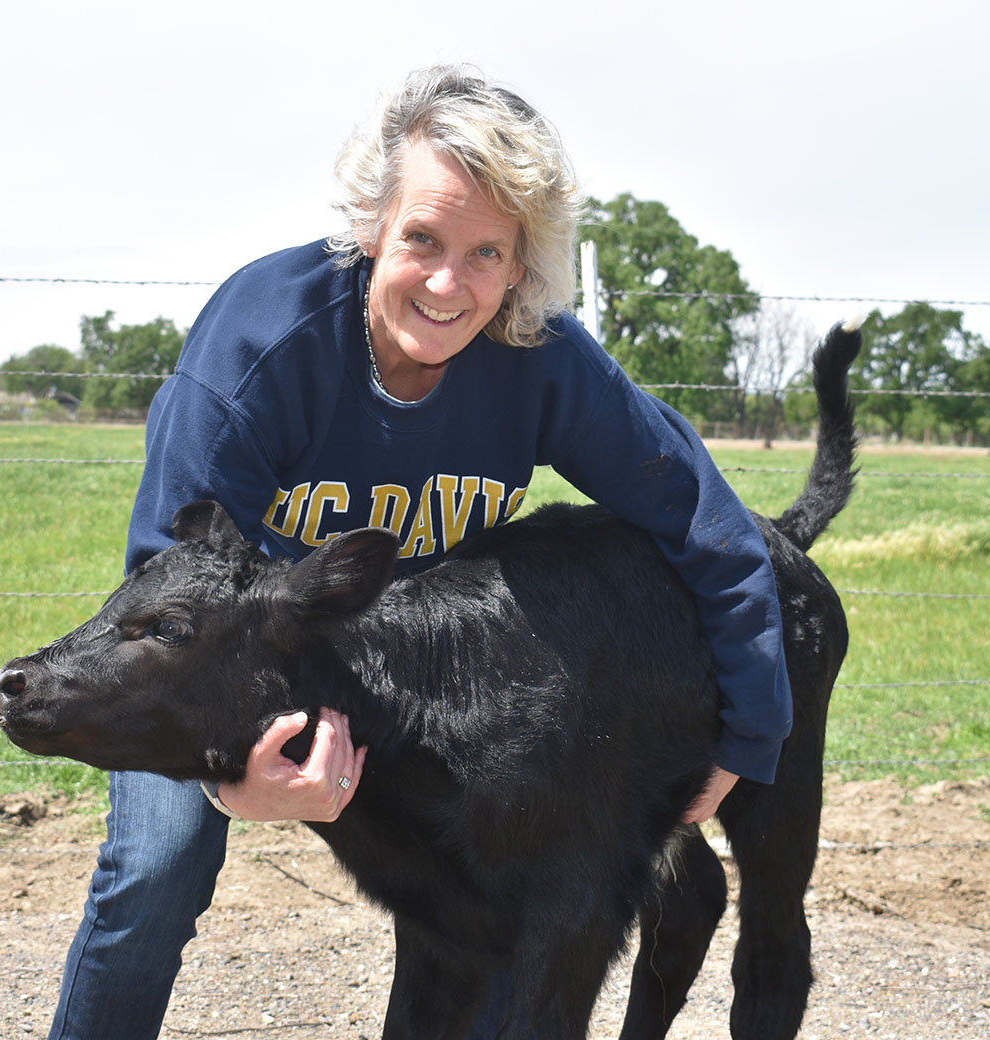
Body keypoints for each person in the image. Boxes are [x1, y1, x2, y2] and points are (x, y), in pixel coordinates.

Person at [48, 64, 790, 1039]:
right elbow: (168, 586)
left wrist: (751, 732)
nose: (450, 283)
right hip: (216, 652)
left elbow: (704, 517)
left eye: (488, 252)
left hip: (394, 662)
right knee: (158, 863)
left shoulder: (537, 356)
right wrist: (235, 775)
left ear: (524, 264)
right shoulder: (264, 341)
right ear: (372, 223)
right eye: (423, 240)